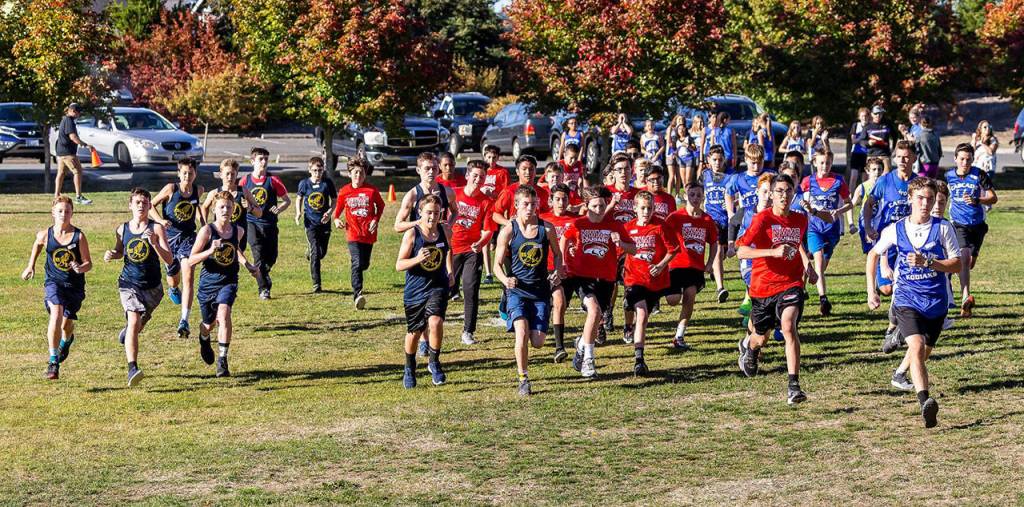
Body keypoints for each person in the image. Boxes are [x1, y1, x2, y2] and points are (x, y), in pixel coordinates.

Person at [866, 178, 961, 428]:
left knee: (925, 351)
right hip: (907, 298)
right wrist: (871, 291)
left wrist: (929, 262)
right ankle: (925, 403)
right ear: (910, 198)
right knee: (917, 347)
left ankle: (900, 350)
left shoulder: (943, 228)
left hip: (936, 303)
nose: (925, 203)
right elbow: (873, 254)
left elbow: (957, 263)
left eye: (930, 199)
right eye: (920, 198)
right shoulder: (895, 229)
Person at [736, 174, 818, 405]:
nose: (784, 195)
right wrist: (772, 252)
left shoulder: (800, 220)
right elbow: (741, 251)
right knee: (761, 338)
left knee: (788, 326)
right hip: (763, 287)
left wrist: (807, 265)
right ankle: (749, 348)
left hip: (791, 283)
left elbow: (798, 242)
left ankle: (794, 386)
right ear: (771, 195)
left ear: (794, 193)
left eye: (788, 191)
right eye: (779, 191)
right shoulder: (762, 219)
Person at [493, 186, 563, 395]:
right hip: (517, 292)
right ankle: (523, 378)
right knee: (521, 334)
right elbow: (497, 264)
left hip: (540, 291)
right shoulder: (508, 230)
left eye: (533, 204)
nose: (530, 208)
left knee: (538, 342)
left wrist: (557, 271)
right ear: (516, 206)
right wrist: (505, 280)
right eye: (525, 204)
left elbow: (558, 255)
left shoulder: (547, 229)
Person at [561, 186, 635, 379]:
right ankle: (589, 361)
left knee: (596, 317)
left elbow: (633, 249)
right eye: (594, 206)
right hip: (583, 277)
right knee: (593, 311)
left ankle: (581, 344)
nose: (599, 209)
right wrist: (562, 261)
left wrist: (621, 243)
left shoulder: (615, 225)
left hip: (607, 279)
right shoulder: (578, 224)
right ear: (587, 206)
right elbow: (564, 239)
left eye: (602, 205)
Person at [103, 188, 174, 386]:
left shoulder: (157, 229)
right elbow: (120, 251)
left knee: (136, 325)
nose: (141, 206)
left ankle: (128, 334)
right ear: (130, 206)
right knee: (134, 319)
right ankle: (132, 368)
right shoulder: (122, 229)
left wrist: (155, 244)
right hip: (128, 283)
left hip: (152, 288)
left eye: (145, 202)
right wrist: (112, 254)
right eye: (137, 202)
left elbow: (169, 259)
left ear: (150, 205)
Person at [21, 196, 93, 380]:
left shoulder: (79, 236)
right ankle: (53, 361)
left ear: (72, 213)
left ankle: (67, 340)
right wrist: (31, 265)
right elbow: (37, 244)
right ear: (53, 212)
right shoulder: (46, 234)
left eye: (67, 211)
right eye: (60, 211)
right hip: (54, 283)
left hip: (74, 287)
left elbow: (88, 264)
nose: (63, 214)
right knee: (56, 313)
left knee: (66, 325)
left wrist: (80, 267)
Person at [188, 191, 258, 378]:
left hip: (228, 281)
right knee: (208, 324)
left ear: (234, 208)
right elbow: (191, 260)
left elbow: (236, 250)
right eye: (221, 207)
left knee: (224, 312)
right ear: (214, 210)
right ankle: (204, 338)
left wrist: (248, 265)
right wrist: (210, 250)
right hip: (208, 284)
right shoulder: (207, 231)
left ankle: (222, 359)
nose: (225, 210)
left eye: (229, 206)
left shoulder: (238, 231)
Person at [396, 195, 454, 388]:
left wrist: (450, 270)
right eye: (429, 212)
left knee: (436, 321)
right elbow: (399, 264)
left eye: (436, 213)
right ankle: (409, 367)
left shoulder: (445, 230)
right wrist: (417, 259)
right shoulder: (413, 234)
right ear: (420, 213)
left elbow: (447, 251)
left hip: (438, 285)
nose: (432, 217)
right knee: (415, 332)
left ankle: (434, 362)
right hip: (415, 289)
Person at [620, 190, 677, 370]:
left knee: (645, 314)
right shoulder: (628, 228)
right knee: (642, 314)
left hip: (654, 282)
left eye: (650, 208)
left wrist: (660, 265)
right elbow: (617, 251)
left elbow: (673, 249)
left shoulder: (660, 226)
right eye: (643, 208)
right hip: (633, 279)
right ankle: (639, 359)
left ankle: (629, 310)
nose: (646, 212)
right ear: (635, 208)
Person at [149, 157, 204, 338]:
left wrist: (203, 225)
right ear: (179, 173)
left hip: (189, 239)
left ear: (195, 174)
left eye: (191, 173)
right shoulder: (171, 189)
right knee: (174, 279)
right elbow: (150, 205)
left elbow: (197, 210)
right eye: (184, 173)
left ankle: (184, 320)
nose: (188, 176)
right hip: (169, 240)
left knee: (189, 276)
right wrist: (160, 220)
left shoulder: (198, 190)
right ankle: (173, 288)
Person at [945, 143, 998, 318]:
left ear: (972, 160)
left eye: (968, 159)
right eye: (961, 159)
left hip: (978, 225)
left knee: (969, 263)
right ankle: (965, 298)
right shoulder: (948, 176)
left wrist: (978, 200)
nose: (965, 162)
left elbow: (993, 198)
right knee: (964, 258)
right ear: (955, 159)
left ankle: (955, 280)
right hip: (958, 224)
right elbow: (941, 196)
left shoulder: (979, 175)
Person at [663, 184, 718, 349]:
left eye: (698, 195)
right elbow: (662, 236)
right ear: (686, 196)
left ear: (703, 198)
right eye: (692, 195)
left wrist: (709, 263)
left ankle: (679, 335)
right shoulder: (675, 217)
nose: (695, 198)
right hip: (675, 265)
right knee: (673, 300)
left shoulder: (707, 220)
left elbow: (714, 243)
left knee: (690, 296)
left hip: (695, 266)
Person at [449, 160, 497, 345]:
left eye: (482, 177)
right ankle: (429, 328)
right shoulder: (454, 194)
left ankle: (468, 331)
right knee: (444, 288)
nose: (478, 179)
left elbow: (488, 231)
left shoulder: (486, 203)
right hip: (451, 249)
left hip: (471, 251)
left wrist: (481, 242)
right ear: (467, 175)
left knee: (470, 289)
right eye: (475, 175)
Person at [800, 149, 852, 316]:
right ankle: (823, 299)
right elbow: (800, 200)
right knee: (819, 261)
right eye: (821, 162)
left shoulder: (838, 181)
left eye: (828, 163)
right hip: (814, 227)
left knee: (820, 268)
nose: (824, 166)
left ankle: (801, 285)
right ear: (815, 163)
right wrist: (805, 207)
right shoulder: (808, 181)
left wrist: (838, 211)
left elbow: (850, 204)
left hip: (832, 230)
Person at [863, 141, 918, 296]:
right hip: (887, 237)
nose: (902, 161)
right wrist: (868, 227)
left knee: (907, 280)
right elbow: (868, 204)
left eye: (906, 157)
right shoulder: (885, 180)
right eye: (898, 157)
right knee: (886, 289)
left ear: (914, 158)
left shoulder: (918, 182)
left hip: (909, 238)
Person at [333, 158, 385, 309]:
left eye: (361, 173)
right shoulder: (344, 191)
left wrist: (375, 220)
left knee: (364, 264)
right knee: (356, 263)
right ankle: (358, 294)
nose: (358, 176)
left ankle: (358, 273)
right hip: (352, 233)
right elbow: (337, 213)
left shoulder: (371, 190)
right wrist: (336, 220)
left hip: (368, 233)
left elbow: (380, 206)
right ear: (349, 174)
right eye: (355, 173)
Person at [725, 144, 775, 304]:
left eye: (759, 163)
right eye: (753, 163)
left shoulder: (770, 177)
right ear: (746, 160)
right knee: (748, 268)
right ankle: (751, 294)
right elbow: (728, 192)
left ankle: (755, 297)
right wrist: (730, 212)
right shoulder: (738, 178)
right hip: (746, 224)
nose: (756, 166)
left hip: (767, 226)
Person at [241, 147, 291, 300]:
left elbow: (287, 200)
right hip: (252, 222)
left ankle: (264, 272)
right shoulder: (245, 181)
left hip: (269, 224)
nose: (263, 162)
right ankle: (263, 289)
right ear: (252, 161)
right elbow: (236, 197)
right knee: (258, 254)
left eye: (266, 159)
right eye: (260, 159)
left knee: (271, 257)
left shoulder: (273, 180)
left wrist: (280, 208)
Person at [539, 183, 579, 362]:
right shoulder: (542, 220)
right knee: (558, 302)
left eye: (564, 199)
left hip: (570, 270)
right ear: (550, 201)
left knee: (561, 306)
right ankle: (559, 347)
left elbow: (581, 242)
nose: (561, 202)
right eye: (557, 199)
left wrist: (574, 248)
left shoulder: (576, 220)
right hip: (547, 269)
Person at [294, 157, 337, 293]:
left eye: (320, 170)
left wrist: (330, 212)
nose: (317, 173)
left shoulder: (327, 183)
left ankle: (310, 252)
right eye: (314, 171)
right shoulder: (304, 184)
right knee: (315, 253)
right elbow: (299, 198)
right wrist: (298, 212)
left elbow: (335, 200)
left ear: (323, 170)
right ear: (309, 170)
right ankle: (316, 284)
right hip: (310, 223)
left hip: (324, 223)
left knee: (321, 252)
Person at [200, 159, 262, 252]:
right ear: (221, 175)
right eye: (227, 174)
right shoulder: (215, 193)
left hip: (238, 236)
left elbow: (259, 213)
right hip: (219, 234)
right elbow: (204, 207)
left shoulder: (244, 192)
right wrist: (205, 224)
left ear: (237, 175)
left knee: (234, 262)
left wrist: (250, 208)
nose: (230, 177)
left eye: (233, 174)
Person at [395, 152, 457, 233]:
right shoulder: (413, 195)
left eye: (434, 168)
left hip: (440, 242)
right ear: (418, 170)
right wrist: (419, 222)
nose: (431, 172)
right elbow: (398, 226)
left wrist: (449, 225)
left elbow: (455, 211)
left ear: (438, 169)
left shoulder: (448, 192)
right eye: (427, 168)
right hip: (420, 242)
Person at [701, 145, 732, 302]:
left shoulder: (729, 178)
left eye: (720, 160)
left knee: (725, 253)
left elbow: (737, 196)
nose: (717, 163)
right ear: (708, 161)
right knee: (718, 251)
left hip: (727, 219)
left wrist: (733, 203)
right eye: (714, 160)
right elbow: (697, 192)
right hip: (712, 219)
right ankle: (721, 288)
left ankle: (715, 269)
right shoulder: (705, 175)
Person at [53, 103, 93, 204]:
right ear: (72, 111)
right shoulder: (69, 121)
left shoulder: (64, 120)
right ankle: (79, 197)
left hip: (61, 152)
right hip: (68, 153)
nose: (79, 115)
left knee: (61, 174)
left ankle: (56, 195)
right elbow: (73, 137)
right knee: (78, 171)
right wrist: (85, 145)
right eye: (78, 113)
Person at [480, 144, 509, 284]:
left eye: (494, 157)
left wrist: (493, 194)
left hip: (496, 212)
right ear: (484, 156)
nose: (491, 160)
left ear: (498, 157)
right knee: (484, 241)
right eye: (489, 157)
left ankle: (499, 267)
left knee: (494, 245)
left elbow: (506, 193)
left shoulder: (502, 172)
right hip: (483, 211)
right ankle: (489, 273)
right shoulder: (481, 171)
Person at [850, 157, 883, 241]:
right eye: (874, 169)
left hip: (881, 222)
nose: (877, 172)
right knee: (870, 251)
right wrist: (851, 224)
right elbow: (850, 206)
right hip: (865, 223)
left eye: (879, 169)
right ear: (867, 171)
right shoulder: (862, 187)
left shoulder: (886, 187)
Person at [859, 105, 895, 173]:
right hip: (872, 156)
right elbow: (861, 141)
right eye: (876, 113)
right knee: (873, 177)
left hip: (884, 155)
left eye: (880, 113)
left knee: (886, 177)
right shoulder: (867, 127)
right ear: (872, 114)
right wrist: (868, 142)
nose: (878, 115)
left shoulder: (887, 125)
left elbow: (895, 136)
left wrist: (893, 148)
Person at [847, 107, 870, 190]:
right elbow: (853, 140)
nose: (864, 118)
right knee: (854, 176)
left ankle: (864, 198)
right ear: (859, 117)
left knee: (865, 178)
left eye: (866, 116)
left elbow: (871, 142)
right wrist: (861, 138)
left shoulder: (870, 126)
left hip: (866, 154)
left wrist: (865, 142)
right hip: (856, 153)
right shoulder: (856, 125)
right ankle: (850, 197)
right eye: (862, 116)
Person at [664, 115, 683, 193]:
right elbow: (669, 141)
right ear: (675, 120)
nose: (680, 120)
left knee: (678, 176)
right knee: (671, 175)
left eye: (682, 119)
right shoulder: (670, 128)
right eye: (679, 119)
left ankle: (677, 194)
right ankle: (669, 193)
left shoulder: (682, 129)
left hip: (680, 155)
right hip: (670, 154)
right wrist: (673, 152)